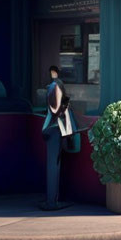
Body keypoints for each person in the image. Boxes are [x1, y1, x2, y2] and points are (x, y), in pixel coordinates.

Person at [39, 65, 77, 210]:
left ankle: (52, 200)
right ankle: (52, 201)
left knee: (53, 165)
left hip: (53, 128)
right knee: (53, 166)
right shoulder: (55, 86)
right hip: (55, 129)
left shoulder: (53, 86)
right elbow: (55, 109)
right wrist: (64, 106)